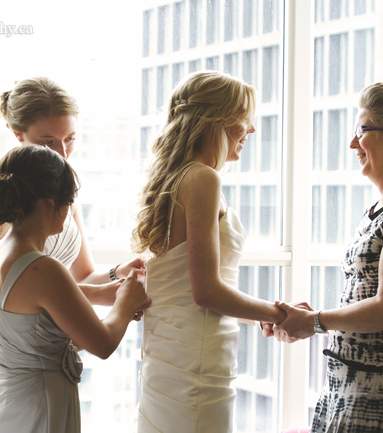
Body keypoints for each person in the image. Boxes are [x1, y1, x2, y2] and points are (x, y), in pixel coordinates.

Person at [0, 77, 145, 433]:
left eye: (70, 140)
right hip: (16, 346)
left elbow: (76, 278)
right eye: (48, 142)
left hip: (47, 328)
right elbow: (25, 290)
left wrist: (113, 278)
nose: (62, 153)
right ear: (19, 135)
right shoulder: (0, 195)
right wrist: (120, 301)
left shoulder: (59, 189)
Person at [274, 80, 383, 432]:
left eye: (361, 131)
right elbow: (363, 295)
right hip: (352, 382)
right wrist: (312, 317)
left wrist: (316, 321)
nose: (352, 143)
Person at [131, 71, 290, 433]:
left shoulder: (176, 179)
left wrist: (258, 317)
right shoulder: (202, 178)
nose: (250, 131)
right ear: (211, 122)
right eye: (243, 120)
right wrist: (279, 313)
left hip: (174, 353)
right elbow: (206, 292)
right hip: (196, 363)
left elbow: (190, 288)